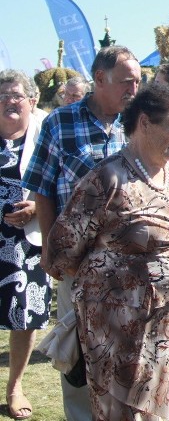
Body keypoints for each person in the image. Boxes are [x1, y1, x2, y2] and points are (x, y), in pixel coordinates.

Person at [42, 83, 169, 419]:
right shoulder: (107, 177)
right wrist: (118, 280)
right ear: (144, 123)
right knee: (131, 408)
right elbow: (60, 250)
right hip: (125, 329)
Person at [23, 45, 141, 421]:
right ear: (100, 79)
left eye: (138, 81)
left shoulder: (139, 123)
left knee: (126, 347)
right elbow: (42, 187)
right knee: (77, 348)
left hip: (130, 260)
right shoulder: (59, 122)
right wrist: (48, 246)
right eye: (127, 81)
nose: (134, 89)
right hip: (78, 261)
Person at [0, 70, 50, 420]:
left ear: (32, 100)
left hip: (27, 240)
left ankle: (15, 386)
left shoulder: (45, 133)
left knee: (24, 317)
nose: (8, 101)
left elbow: (62, 181)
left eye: (16, 94)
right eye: (2, 95)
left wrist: (37, 206)